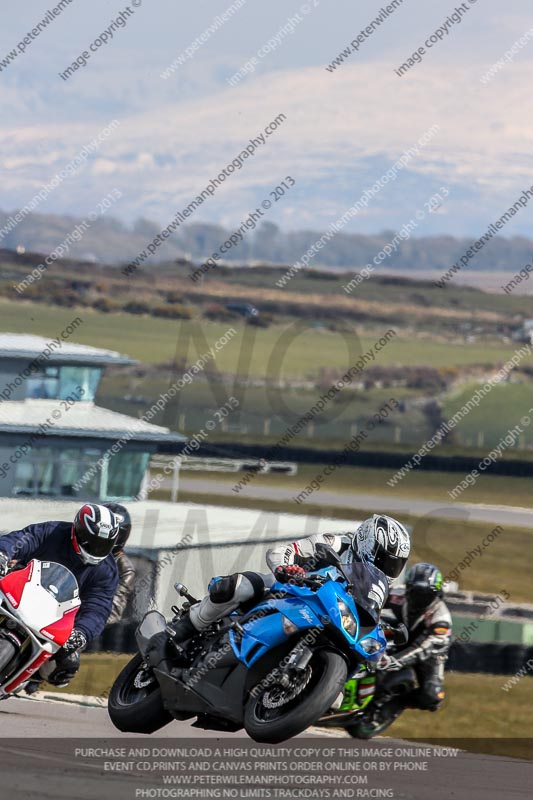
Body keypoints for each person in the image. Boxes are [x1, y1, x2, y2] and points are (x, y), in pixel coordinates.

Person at [171, 514, 411, 642]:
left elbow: (372, 615)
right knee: (240, 587)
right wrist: (286, 569)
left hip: (328, 619)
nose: (389, 569)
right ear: (369, 544)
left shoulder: (379, 587)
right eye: (386, 561)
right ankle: (186, 628)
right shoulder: (335, 543)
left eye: (396, 564)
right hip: (289, 592)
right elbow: (282, 552)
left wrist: (386, 632)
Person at [0, 503, 120, 689]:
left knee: (68, 663)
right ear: (77, 531)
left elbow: (98, 607)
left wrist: (81, 632)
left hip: (57, 617)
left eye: (103, 545)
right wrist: (3, 553)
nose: (96, 549)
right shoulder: (53, 532)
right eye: (91, 542)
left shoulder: (107, 570)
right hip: (20, 589)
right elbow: (24, 538)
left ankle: (29, 681)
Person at [377, 562, 452, 712]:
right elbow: (374, 599)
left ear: (436, 593)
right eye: (415, 592)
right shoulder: (398, 595)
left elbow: (421, 649)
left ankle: (395, 703)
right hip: (401, 635)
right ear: (408, 588)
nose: (419, 598)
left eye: (425, 594)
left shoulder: (441, 619)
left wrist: (394, 661)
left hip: (430, 654)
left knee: (433, 697)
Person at [103, 502, 136, 626]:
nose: (107, 537)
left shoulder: (126, 571)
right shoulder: (81, 552)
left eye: (114, 534)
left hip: (85, 629)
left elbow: (112, 613)